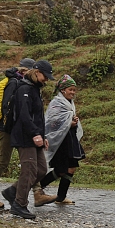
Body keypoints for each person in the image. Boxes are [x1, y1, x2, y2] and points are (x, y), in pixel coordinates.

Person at [0, 57, 55, 209]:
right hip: (9, 129)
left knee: (34, 165)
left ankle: (36, 192)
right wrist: (14, 128)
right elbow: (10, 109)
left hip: (23, 128)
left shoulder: (29, 85)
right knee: (4, 161)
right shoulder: (16, 84)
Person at [1, 60, 56, 219]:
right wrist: (35, 134)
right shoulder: (24, 89)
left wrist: (43, 135)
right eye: (45, 76)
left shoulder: (35, 89)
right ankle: (19, 204)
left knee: (41, 170)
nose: (46, 79)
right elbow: (24, 116)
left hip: (35, 136)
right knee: (29, 169)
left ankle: (13, 191)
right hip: (25, 137)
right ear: (36, 72)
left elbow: (39, 117)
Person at [36, 74, 84, 205]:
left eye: (74, 90)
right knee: (62, 170)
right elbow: (51, 122)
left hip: (70, 139)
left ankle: (60, 197)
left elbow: (65, 118)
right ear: (63, 90)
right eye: (70, 90)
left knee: (71, 168)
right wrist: (69, 122)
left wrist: (72, 121)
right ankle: (38, 187)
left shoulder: (69, 103)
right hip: (61, 141)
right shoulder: (56, 103)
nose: (73, 93)